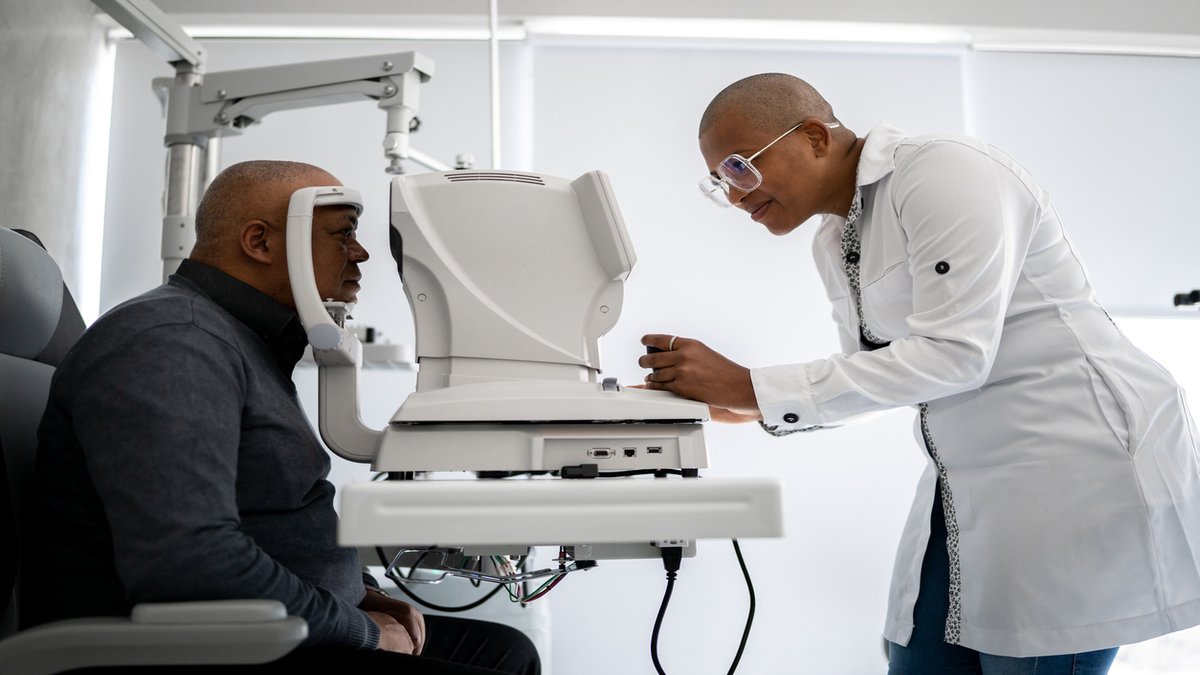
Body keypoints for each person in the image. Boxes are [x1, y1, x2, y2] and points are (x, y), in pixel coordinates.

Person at [639, 73, 1200, 674]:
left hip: (1070, 467)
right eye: (720, 181)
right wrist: (749, 404)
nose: (735, 195)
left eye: (740, 167)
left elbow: (955, 355)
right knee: (916, 660)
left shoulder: (943, 172)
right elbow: (880, 369)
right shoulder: (835, 237)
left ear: (813, 138)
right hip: (967, 475)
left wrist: (755, 387)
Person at [20, 160, 540, 675]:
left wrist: (363, 595)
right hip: (203, 650)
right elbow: (191, 564)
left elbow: (267, 519)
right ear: (261, 243)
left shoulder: (241, 342)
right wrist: (359, 628)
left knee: (507, 652)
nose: (361, 253)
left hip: (273, 630)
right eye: (344, 233)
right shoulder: (174, 342)